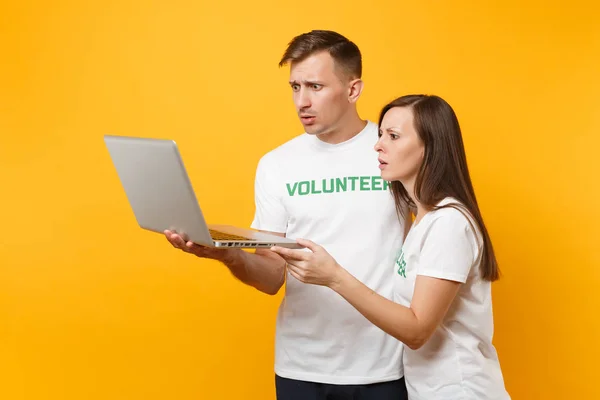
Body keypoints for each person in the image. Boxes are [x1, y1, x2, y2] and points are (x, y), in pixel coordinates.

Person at [164, 30, 410, 399]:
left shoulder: (394, 150)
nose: (302, 101)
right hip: (301, 368)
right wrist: (227, 254)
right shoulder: (277, 165)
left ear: (353, 90)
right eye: (295, 87)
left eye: (315, 86)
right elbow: (270, 277)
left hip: (385, 366)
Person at [271, 94, 511, 399]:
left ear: (430, 148)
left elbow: (416, 330)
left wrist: (334, 276)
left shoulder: (449, 223)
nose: (378, 144)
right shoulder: (422, 218)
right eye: (381, 134)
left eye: (394, 136)